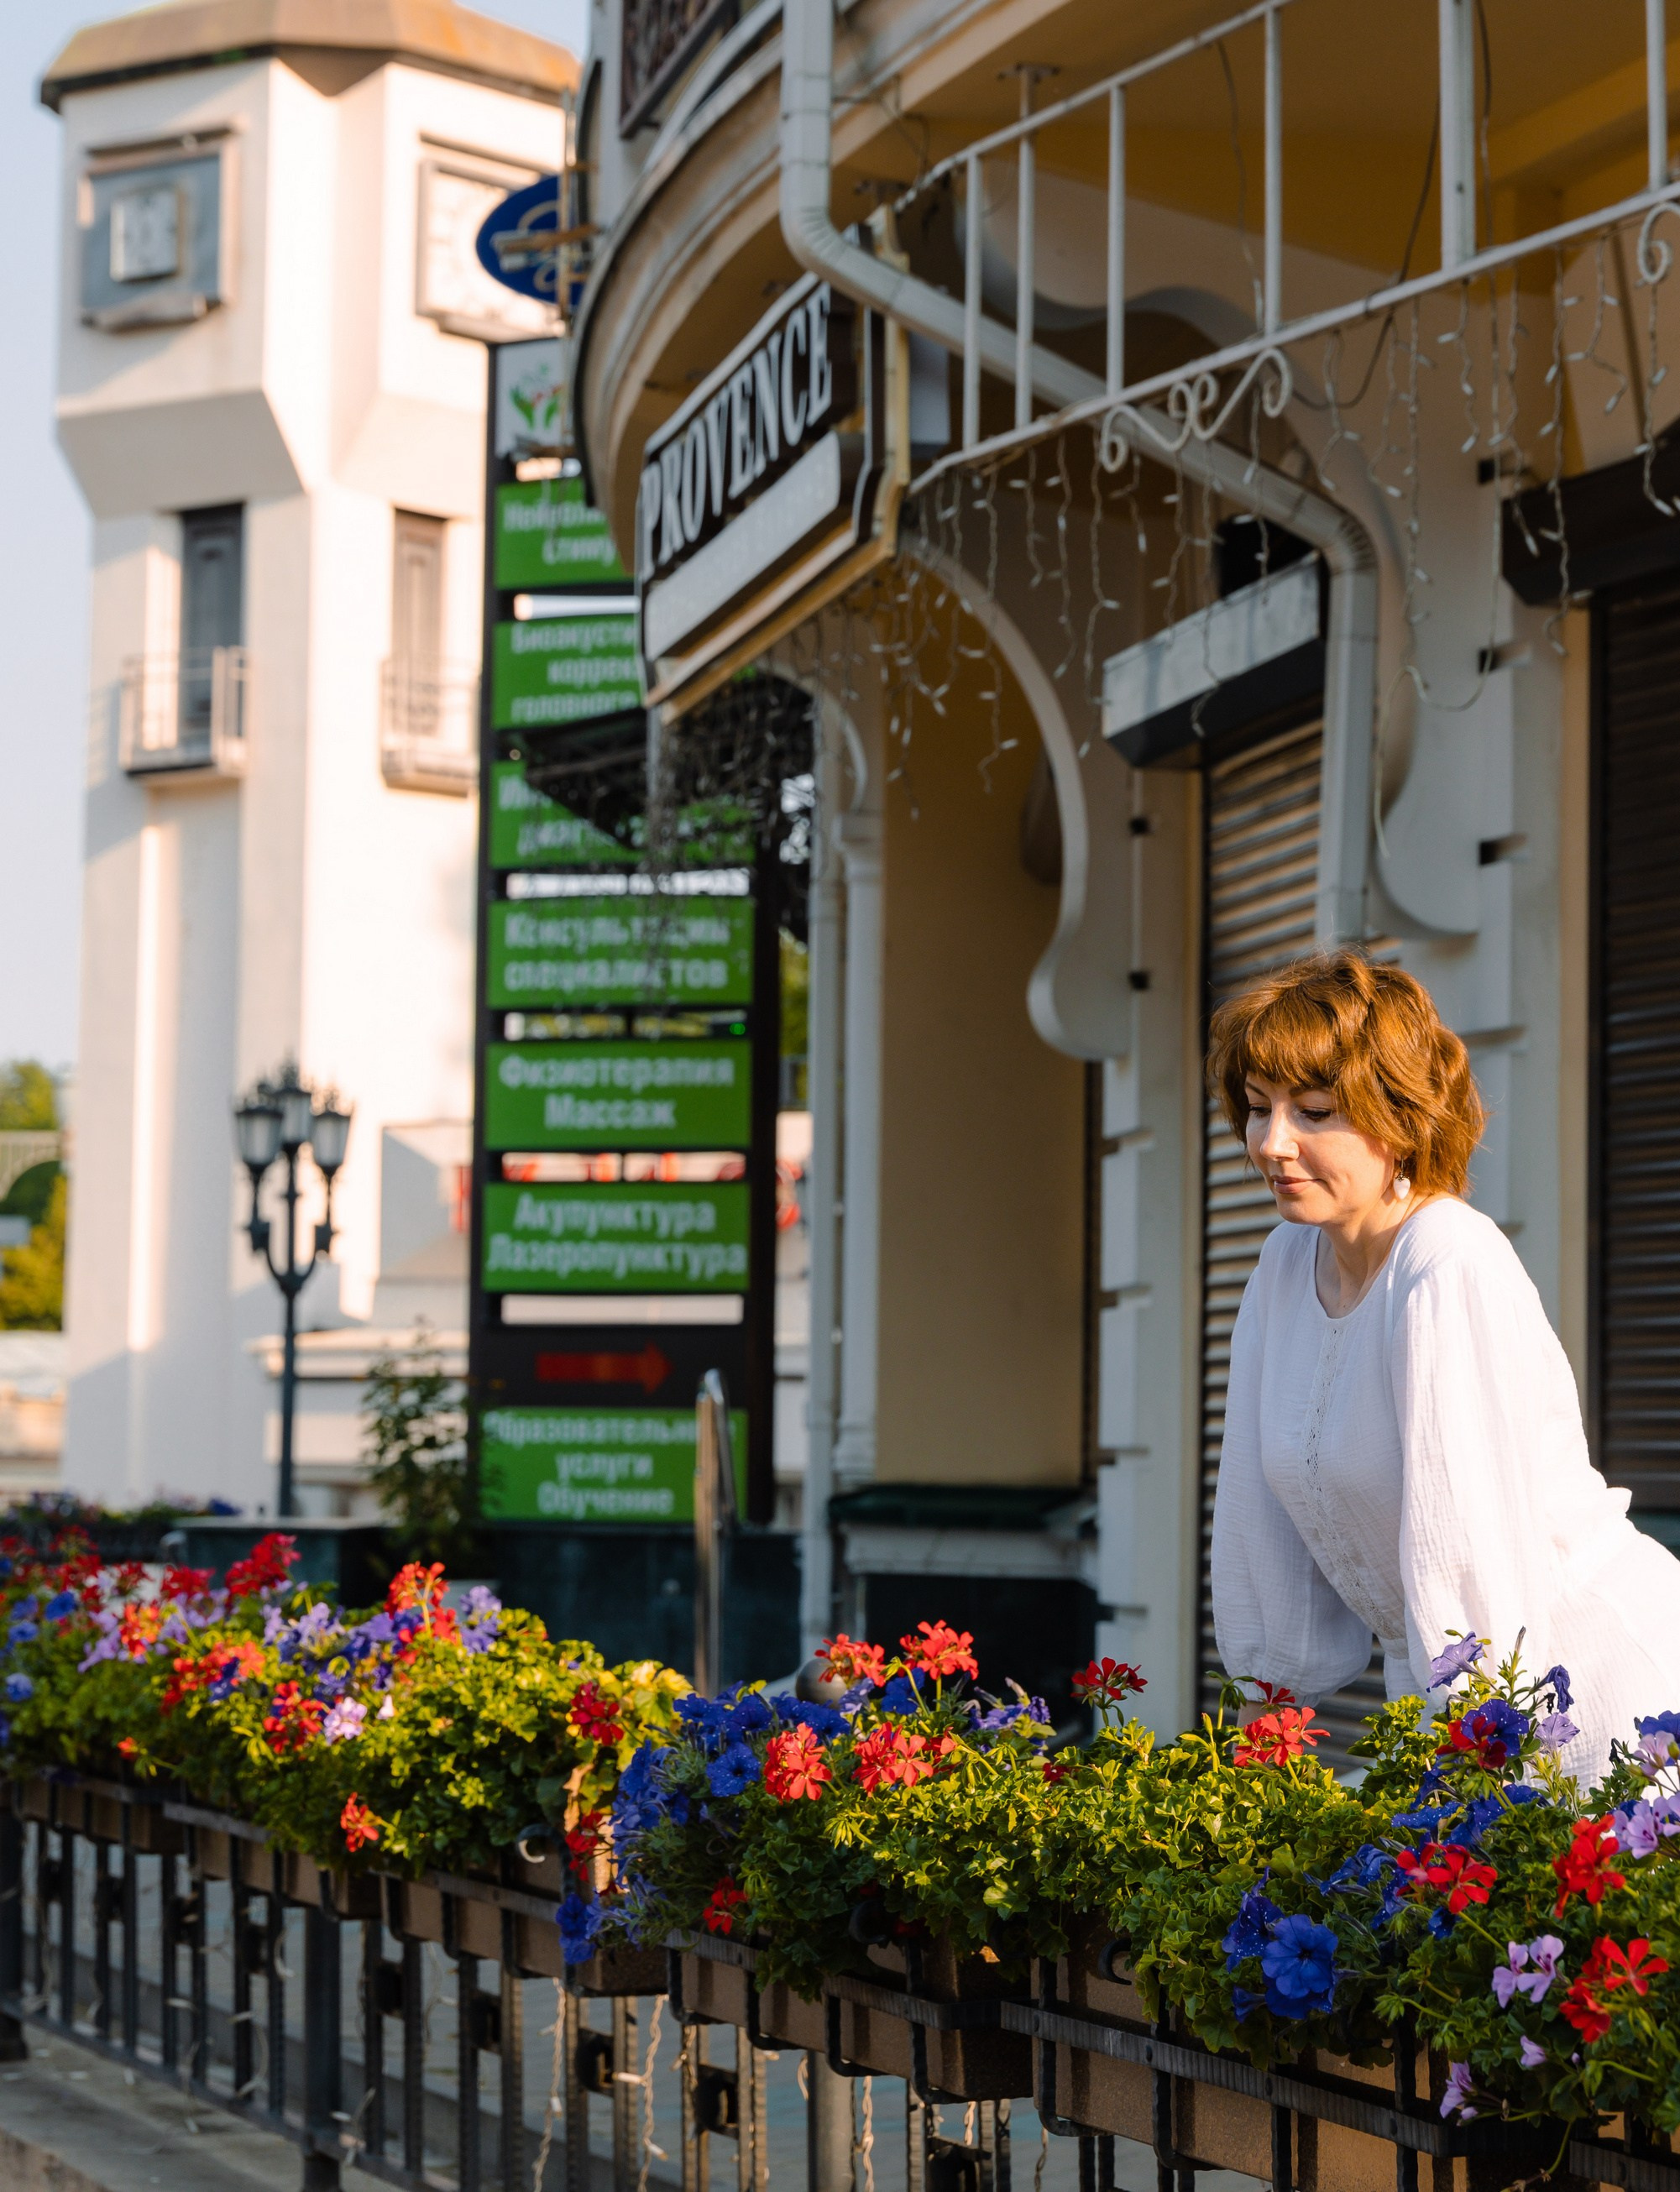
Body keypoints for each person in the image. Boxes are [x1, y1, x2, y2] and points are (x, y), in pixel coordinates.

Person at [1207, 948, 1680, 1785]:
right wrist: (1252, 1776)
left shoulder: (1447, 1261)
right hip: (1466, 1716)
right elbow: (1258, 1533)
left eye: (1313, 1111)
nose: (1272, 1143)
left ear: (1399, 1121)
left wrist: (1476, 1767)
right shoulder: (1284, 1266)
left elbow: (1469, 1555)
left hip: (1598, 1695)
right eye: (1257, 1108)